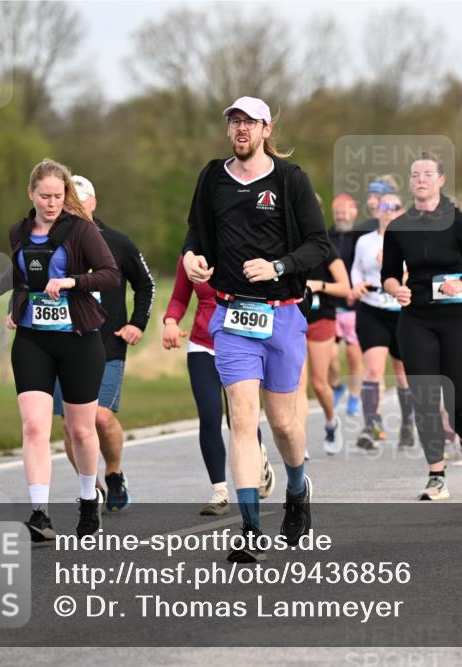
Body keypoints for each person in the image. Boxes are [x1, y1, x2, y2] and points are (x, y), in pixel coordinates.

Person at [182, 96, 330, 562]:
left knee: (285, 424)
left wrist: (279, 266)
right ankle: (248, 529)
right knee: (243, 421)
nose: (241, 129)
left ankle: (297, 487)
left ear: (267, 129)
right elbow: (194, 235)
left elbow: (319, 246)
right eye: (234, 122)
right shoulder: (212, 177)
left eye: (249, 122)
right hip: (232, 317)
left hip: (283, 312)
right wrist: (191, 259)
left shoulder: (290, 180)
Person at [0, 159, 120, 539]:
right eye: (45, 196)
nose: (52, 203)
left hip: (78, 340)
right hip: (33, 338)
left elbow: (110, 273)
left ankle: (89, 501)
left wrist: (72, 281)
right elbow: (18, 271)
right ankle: (40, 513)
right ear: (31, 194)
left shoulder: (82, 231)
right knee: (35, 426)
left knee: (81, 429)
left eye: (58, 196)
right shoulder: (19, 231)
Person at [382, 152, 462, 500]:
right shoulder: (399, 226)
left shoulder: (458, 222)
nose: (420, 179)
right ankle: (436, 474)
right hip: (417, 318)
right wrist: (395, 289)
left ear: (441, 180)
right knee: (425, 398)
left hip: (459, 317)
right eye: (415, 174)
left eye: (427, 174)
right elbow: (387, 274)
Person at [49, 175, 155, 512]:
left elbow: (146, 285)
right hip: (62, 343)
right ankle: (89, 488)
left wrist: (137, 324)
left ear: (93, 203)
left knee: (100, 417)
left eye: (80, 201)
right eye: (68, 203)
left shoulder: (118, 242)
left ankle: (113, 471)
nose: (73, 209)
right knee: (70, 423)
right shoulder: (51, 242)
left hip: (107, 343)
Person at [163, 255, 276, 515]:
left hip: (242, 344)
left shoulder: (249, 249)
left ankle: (258, 462)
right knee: (210, 415)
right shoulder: (190, 258)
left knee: (240, 417)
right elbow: (180, 298)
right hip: (203, 345)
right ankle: (220, 491)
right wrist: (170, 321)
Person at [351, 191, 417, 450]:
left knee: (402, 373)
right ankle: (371, 425)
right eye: (384, 206)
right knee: (375, 370)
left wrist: (399, 269)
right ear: (376, 210)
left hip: (401, 311)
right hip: (372, 309)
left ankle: (407, 424)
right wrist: (357, 285)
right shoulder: (365, 241)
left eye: (395, 207)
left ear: (401, 212)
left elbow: (417, 273)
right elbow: (355, 268)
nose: (389, 210)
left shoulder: (410, 240)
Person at [296, 225, 351, 456]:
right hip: (293, 321)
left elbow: (345, 288)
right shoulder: (284, 244)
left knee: (319, 384)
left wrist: (319, 285)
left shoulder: (325, 248)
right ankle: (299, 442)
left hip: (321, 320)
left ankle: (331, 421)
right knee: (297, 385)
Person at [327, 193, 365, 418]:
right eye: (338, 211)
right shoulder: (326, 236)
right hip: (331, 303)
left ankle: (353, 395)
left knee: (353, 356)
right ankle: (337, 386)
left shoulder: (362, 236)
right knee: (329, 357)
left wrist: (357, 289)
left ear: (354, 212)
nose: (341, 215)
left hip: (354, 305)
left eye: (345, 211)